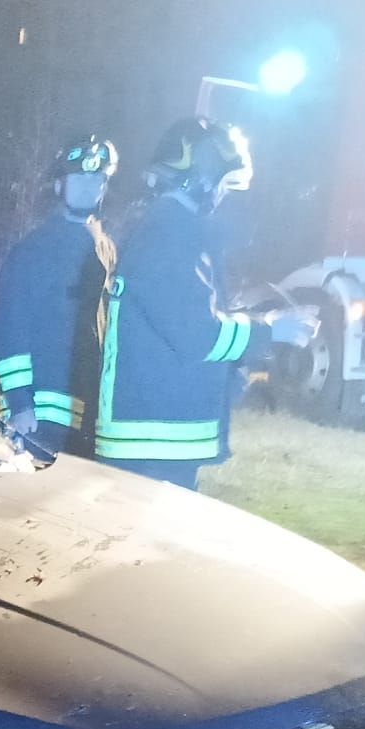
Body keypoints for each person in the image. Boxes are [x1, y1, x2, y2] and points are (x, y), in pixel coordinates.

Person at [94, 118, 317, 489]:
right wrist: (271, 327)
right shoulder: (170, 237)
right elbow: (198, 335)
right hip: (153, 445)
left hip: (155, 441)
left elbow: (190, 320)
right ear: (203, 178)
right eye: (223, 185)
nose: (223, 197)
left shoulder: (170, 232)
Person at [0, 135, 120, 455]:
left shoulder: (108, 248)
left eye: (96, 179)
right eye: (78, 178)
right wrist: (20, 403)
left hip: (89, 411)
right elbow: (8, 329)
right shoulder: (33, 250)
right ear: (59, 185)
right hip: (40, 417)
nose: (88, 187)